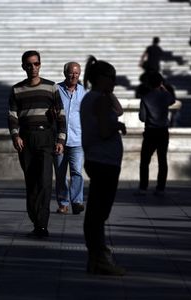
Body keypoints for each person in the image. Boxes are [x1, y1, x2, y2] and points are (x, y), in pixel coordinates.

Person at [7, 50, 66, 238]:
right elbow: (12, 116)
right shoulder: (16, 90)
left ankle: (42, 224)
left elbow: (61, 116)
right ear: (23, 66)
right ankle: (36, 220)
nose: (33, 67)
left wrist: (61, 139)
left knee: (45, 181)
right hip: (26, 139)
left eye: (36, 64)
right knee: (31, 182)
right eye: (29, 64)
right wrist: (16, 136)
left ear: (40, 64)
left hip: (46, 137)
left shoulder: (52, 87)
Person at [80, 55, 127, 276]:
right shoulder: (98, 99)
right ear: (101, 78)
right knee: (98, 213)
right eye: (112, 78)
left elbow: (118, 110)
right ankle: (100, 259)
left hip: (99, 159)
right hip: (104, 160)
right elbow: (104, 131)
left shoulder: (96, 97)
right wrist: (116, 127)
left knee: (97, 212)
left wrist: (109, 96)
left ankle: (95, 259)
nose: (114, 82)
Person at [54, 62, 86, 215]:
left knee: (77, 172)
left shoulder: (83, 92)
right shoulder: (56, 90)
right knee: (60, 174)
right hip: (59, 139)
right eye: (71, 73)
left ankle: (77, 201)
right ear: (65, 73)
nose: (74, 76)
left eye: (77, 73)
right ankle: (63, 203)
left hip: (77, 139)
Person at [137, 72, 175, 196]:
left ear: (149, 84)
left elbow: (142, 118)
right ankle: (160, 188)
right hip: (163, 131)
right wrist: (164, 89)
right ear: (160, 83)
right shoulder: (165, 96)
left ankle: (143, 187)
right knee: (162, 160)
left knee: (145, 161)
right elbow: (173, 100)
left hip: (150, 132)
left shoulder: (145, 98)